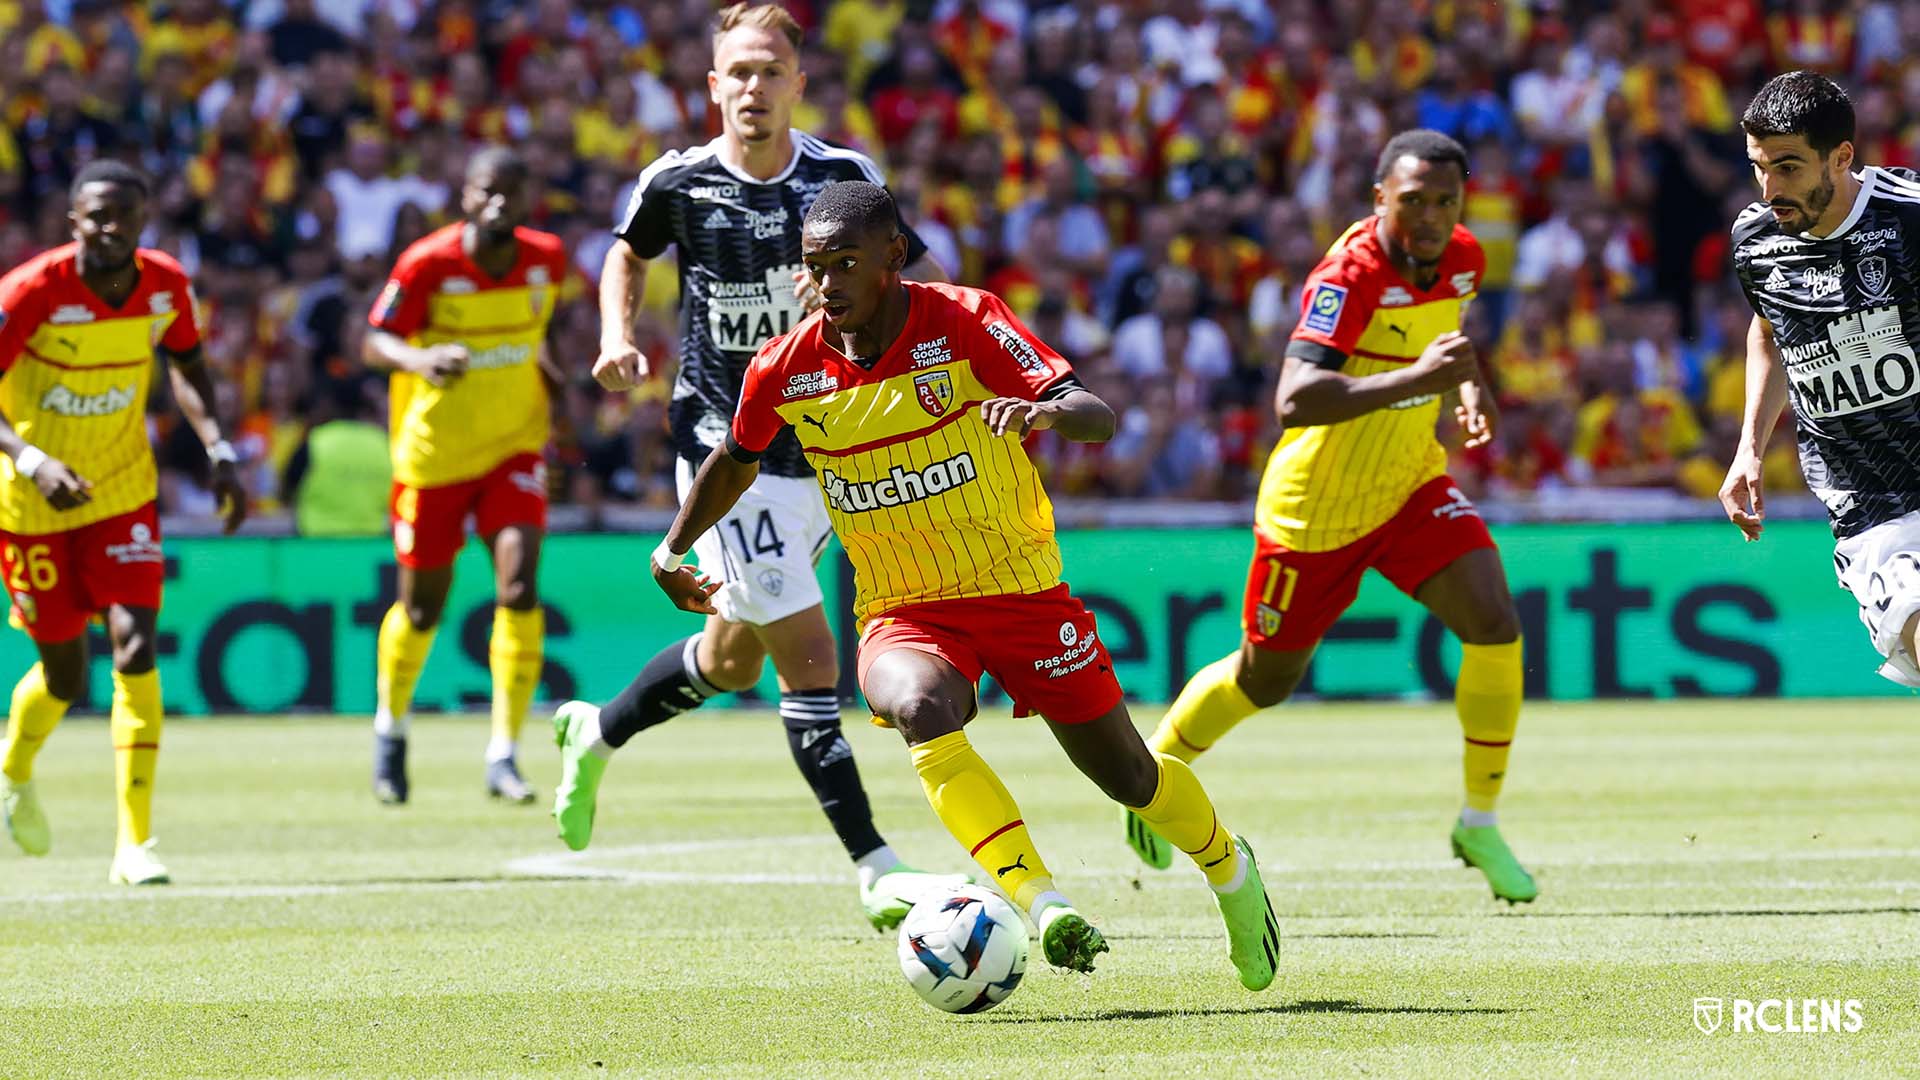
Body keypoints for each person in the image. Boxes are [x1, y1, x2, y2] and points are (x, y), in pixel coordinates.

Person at [655, 180, 1282, 987]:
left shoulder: (965, 321)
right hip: (902, 608)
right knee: (915, 706)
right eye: (815, 267)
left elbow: (1095, 412)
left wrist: (1044, 414)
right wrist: (674, 547)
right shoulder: (785, 367)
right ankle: (1042, 904)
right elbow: (735, 460)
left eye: (847, 263)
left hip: (1019, 590)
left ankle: (1231, 871)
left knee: (1127, 775)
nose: (828, 283)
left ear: (893, 255)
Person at [551, 2, 957, 932]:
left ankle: (597, 730)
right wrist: (617, 334)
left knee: (732, 658)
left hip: (832, 443)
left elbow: (919, 289)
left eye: (770, 72)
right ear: (712, 85)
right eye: (737, 72)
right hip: (725, 446)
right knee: (810, 659)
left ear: (798, 84)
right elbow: (626, 253)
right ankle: (876, 866)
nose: (753, 88)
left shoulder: (843, 177)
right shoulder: (680, 181)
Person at [1128, 130, 1540, 905]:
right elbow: (1294, 399)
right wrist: (1417, 379)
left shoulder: (1463, 257)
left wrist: (1468, 388)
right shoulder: (1348, 276)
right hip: (1315, 507)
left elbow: (1445, 340)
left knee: (1494, 620)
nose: (1427, 216)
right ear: (1379, 197)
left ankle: (1478, 819)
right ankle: (1155, 771)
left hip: (1410, 483)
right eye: (1411, 200)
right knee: (1264, 679)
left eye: (1444, 202)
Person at [0, 159, 248, 884]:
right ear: (72, 220)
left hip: (122, 491)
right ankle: (13, 768)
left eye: (124, 217)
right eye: (96, 215)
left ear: (143, 221)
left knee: (136, 647)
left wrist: (218, 447)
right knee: (66, 675)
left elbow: (189, 364)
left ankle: (133, 843)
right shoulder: (32, 291)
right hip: (29, 503)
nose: (110, 228)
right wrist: (32, 460)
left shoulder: (165, 283)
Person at [362, 147, 568, 806]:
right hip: (434, 455)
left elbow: (535, 339)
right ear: (467, 196)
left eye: (512, 190)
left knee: (520, 584)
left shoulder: (547, 259)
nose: (500, 202)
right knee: (422, 607)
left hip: (514, 446)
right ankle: (391, 728)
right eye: (488, 191)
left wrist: (560, 388)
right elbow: (373, 340)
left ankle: (504, 752)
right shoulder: (428, 262)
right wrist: (419, 361)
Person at [1722, 73, 1920, 691]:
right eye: (1759, 167)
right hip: (1872, 502)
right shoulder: (1754, 241)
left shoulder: (1910, 217)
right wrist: (1749, 446)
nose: (1770, 188)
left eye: (1789, 167)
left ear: (1841, 156)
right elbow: (1770, 330)